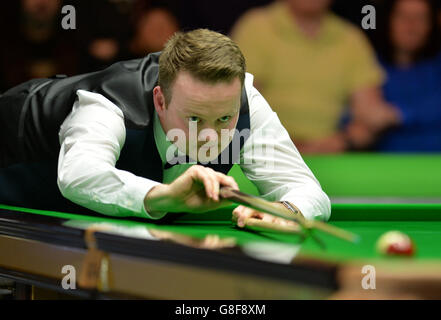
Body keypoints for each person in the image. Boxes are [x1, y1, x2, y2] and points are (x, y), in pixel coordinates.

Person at [0, 29, 331, 227]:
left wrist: (287, 212)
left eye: (223, 120)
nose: (210, 137)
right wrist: (166, 196)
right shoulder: (110, 105)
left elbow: (306, 190)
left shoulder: (242, 102)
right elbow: (79, 175)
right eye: (193, 119)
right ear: (160, 100)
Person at [231, 0, 398, 153]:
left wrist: (342, 141)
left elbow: (369, 116)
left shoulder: (351, 39)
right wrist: (279, 144)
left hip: (333, 156)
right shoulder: (256, 27)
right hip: (263, 152)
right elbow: (236, 103)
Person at [357, 0, 441, 151]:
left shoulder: (437, 65)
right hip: (382, 163)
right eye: (403, 16)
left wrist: (396, 114)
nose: (411, 26)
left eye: (420, 18)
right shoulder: (368, 63)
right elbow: (356, 115)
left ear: (432, 24)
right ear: (388, 20)